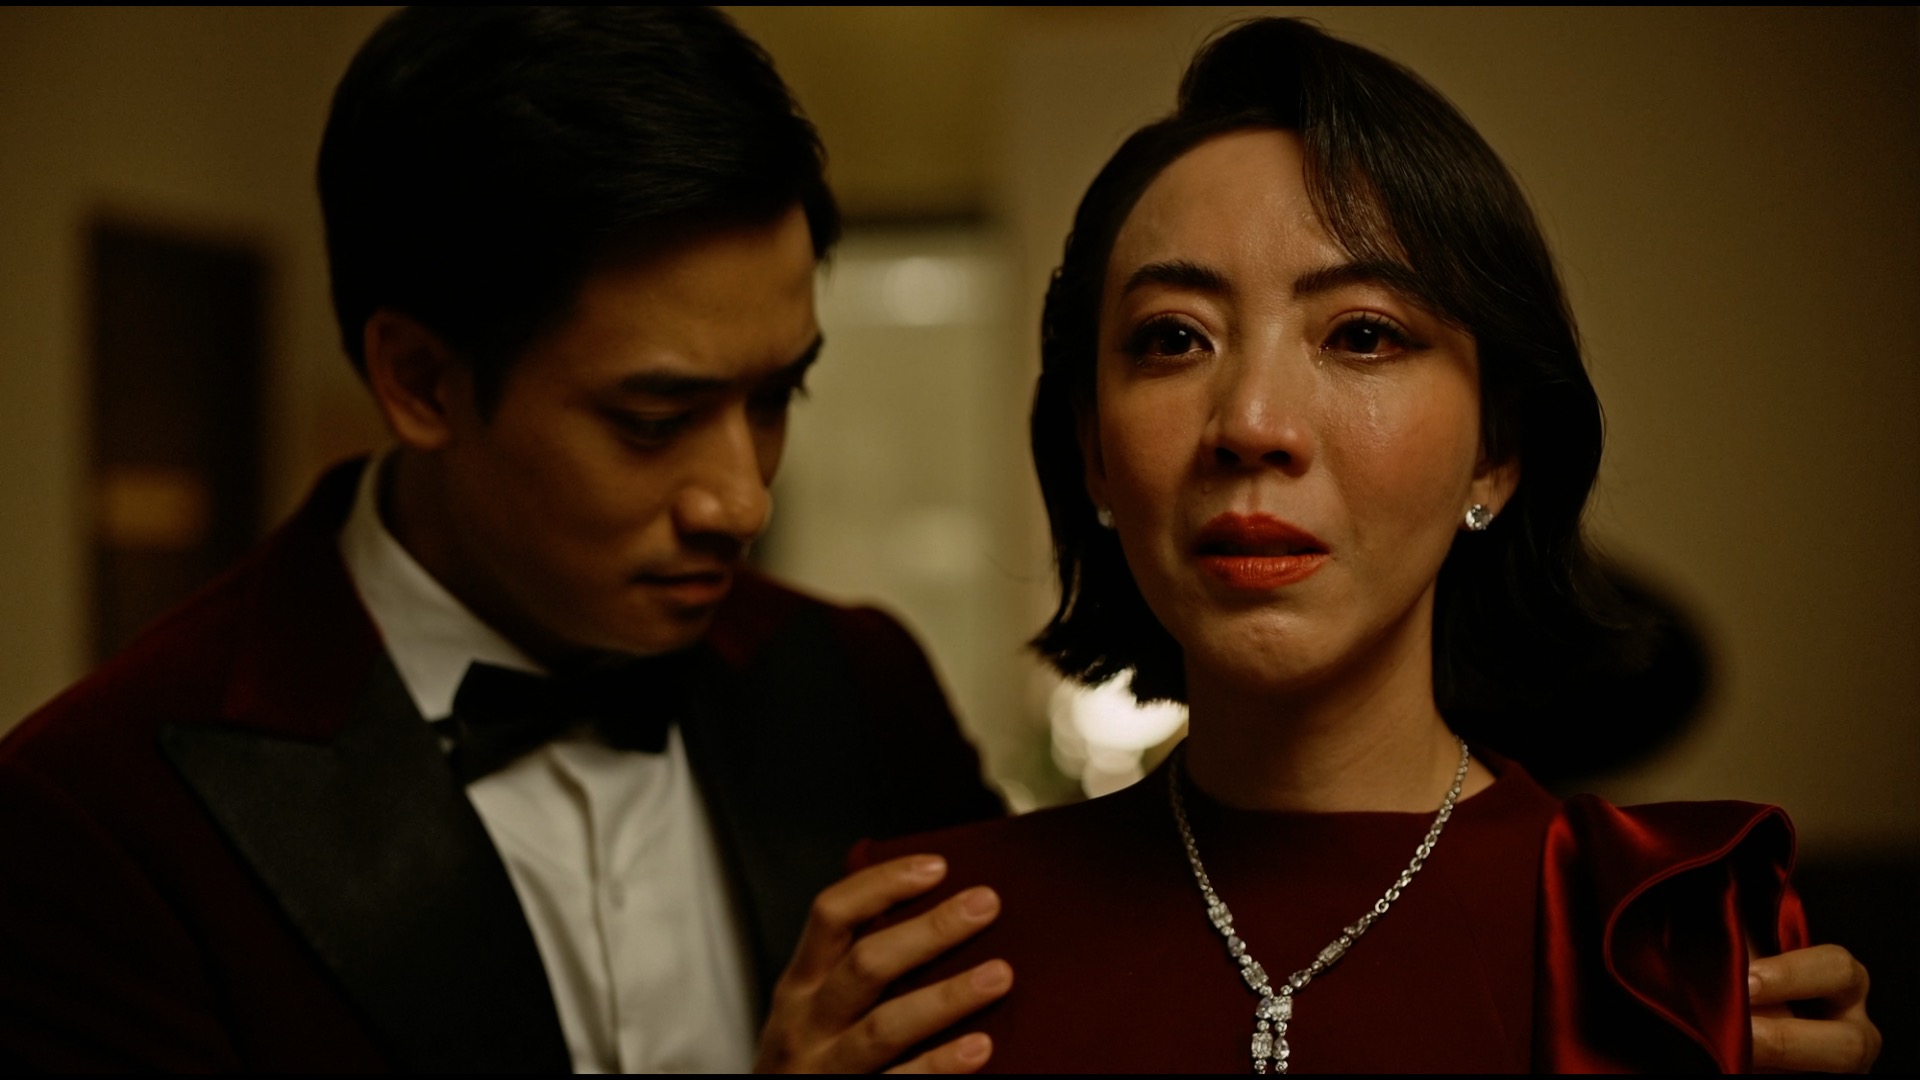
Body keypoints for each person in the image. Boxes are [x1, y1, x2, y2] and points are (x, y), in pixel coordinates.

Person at [854, 17, 1879, 1073]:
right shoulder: (940, 954)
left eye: (1363, 335)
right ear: (1093, 453)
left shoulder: (1660, 940)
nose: (1253, 422)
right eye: (1174, 339)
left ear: (1495, 452)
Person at [0, 8, 1010, 1072]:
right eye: (653, 420)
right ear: (419, 381)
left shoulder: (858, 685)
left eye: (774, 397)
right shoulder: (95, 825)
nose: (741, 502)